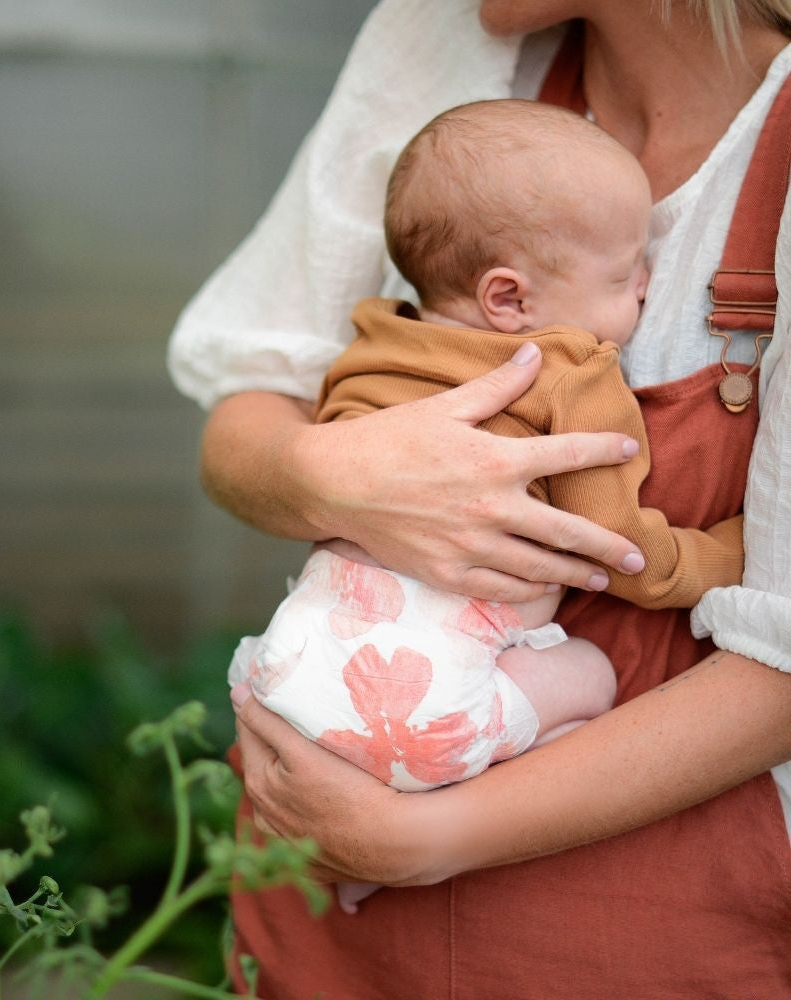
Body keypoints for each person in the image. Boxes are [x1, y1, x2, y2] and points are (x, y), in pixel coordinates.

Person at [168, 1, 791, 996]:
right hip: (324, 905)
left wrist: (409, 835)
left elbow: (784, 666)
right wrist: (340, 478)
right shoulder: (448, 33)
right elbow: (242, 410)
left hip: (629, 932)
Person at [227, 99, 745, 912]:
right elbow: (620, 551)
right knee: (593, 676)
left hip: (286, 681)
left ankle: (364, 848)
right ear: (509, 301)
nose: (647, 283)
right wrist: (727, 554)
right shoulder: (569, 373)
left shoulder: (374, 340)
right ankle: (420, 811)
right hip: (428, 709)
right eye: (625, 273)